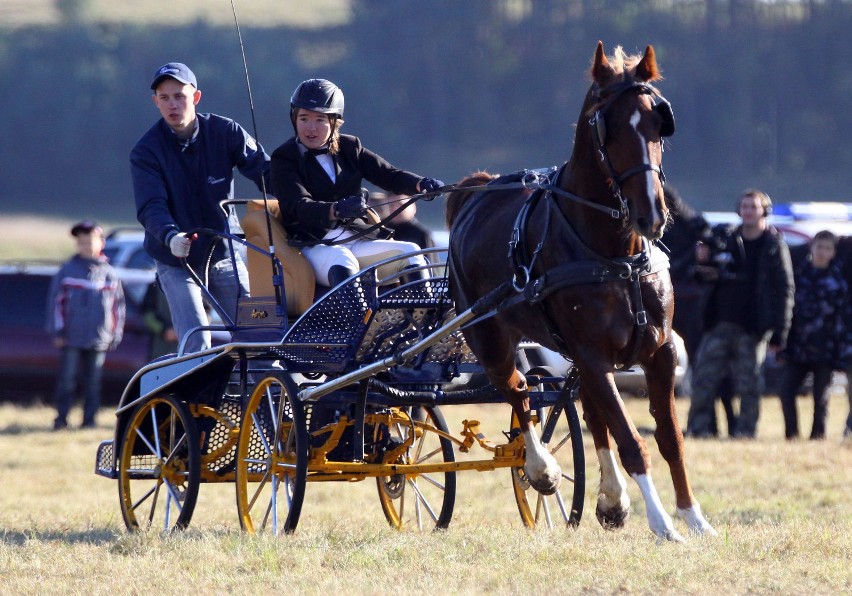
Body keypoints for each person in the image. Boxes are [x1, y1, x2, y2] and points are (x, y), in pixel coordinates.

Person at [131, 62, 271, 353]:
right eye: (165, 98)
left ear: (195, 97)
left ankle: (263, 394)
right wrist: (171, 237)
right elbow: (151, 207)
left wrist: (301, 204)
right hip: (176, 260)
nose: (173, 104)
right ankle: (193, 396)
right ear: (155, 102)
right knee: (198, 338)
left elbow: (268, 174)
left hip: (223, 253)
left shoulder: (226, 131)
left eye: (179, 96)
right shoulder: (146, 151)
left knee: (259, 333)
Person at [269, 78, 442, 287]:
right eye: (304, 118)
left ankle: (427, 316)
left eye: (320, 120)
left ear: (334, 122)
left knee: (411, 252)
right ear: (294, 118)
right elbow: (297, 206)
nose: (310, 128)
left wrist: (420, 184)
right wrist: (336, 209)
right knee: (342, 259)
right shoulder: (284, 157)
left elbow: (389, 175)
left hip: (357, 239)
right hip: (314, 246)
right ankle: (360, 319)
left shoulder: (350, 147)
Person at [686, 189, 794, 439]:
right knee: (703, 380)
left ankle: (746, 432)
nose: (748, 211)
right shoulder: (727, 239)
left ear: (764, 211)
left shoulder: (773, 245)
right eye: (744, 206)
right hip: (720, 324)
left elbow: (785, 288)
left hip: (753, 328)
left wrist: (781, 331)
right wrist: (703, 261)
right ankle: (698, 430)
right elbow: (701, 277)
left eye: (753, 207)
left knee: (750, 386)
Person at [662, 186, 736, 436]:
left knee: (707, 366)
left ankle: (716, 423)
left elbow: (705, 236)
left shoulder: (686, 223)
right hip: (678, 302)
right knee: (703, 366)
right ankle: (708, 424)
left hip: (693, 305)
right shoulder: (657, 224)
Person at [46, 220, 125, 430]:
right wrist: (58, 331)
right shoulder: (67, 270)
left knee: (93, 383)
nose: (85, 245)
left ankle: (89, 421)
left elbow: (118, 308)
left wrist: (115, 333)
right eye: (81, 241)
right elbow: (56, 303)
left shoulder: (109, 273)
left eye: (89, 241)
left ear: (101, 243)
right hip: (71, 336)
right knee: (67, 380)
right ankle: (61, 419)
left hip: (99, 337)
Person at [777, 231, 848, 440]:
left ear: (833, 252)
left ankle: (818, 437)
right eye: (819, 247)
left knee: (821, 397)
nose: (822, 252)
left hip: (825, 349)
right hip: (798, 347)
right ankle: (791, 435)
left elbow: (840, 320)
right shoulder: (797, 276)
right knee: (786, 391)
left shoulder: (838, 283)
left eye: (827, 248)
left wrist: (840, 350)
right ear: (812, 247)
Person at [370, 192, 436, 252]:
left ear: (413, 206)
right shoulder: (381, 230)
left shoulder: (422, 234)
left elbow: (431, 262)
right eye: (391, 205)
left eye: (400, 204)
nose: (396, 209)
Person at [140, 279, 178, 360]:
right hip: (159, 349)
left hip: (187, 351)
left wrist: (186, 332)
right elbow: (147, 314)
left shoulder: (194, 285)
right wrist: (164, 330)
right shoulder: (154, 287)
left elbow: (205, 314)